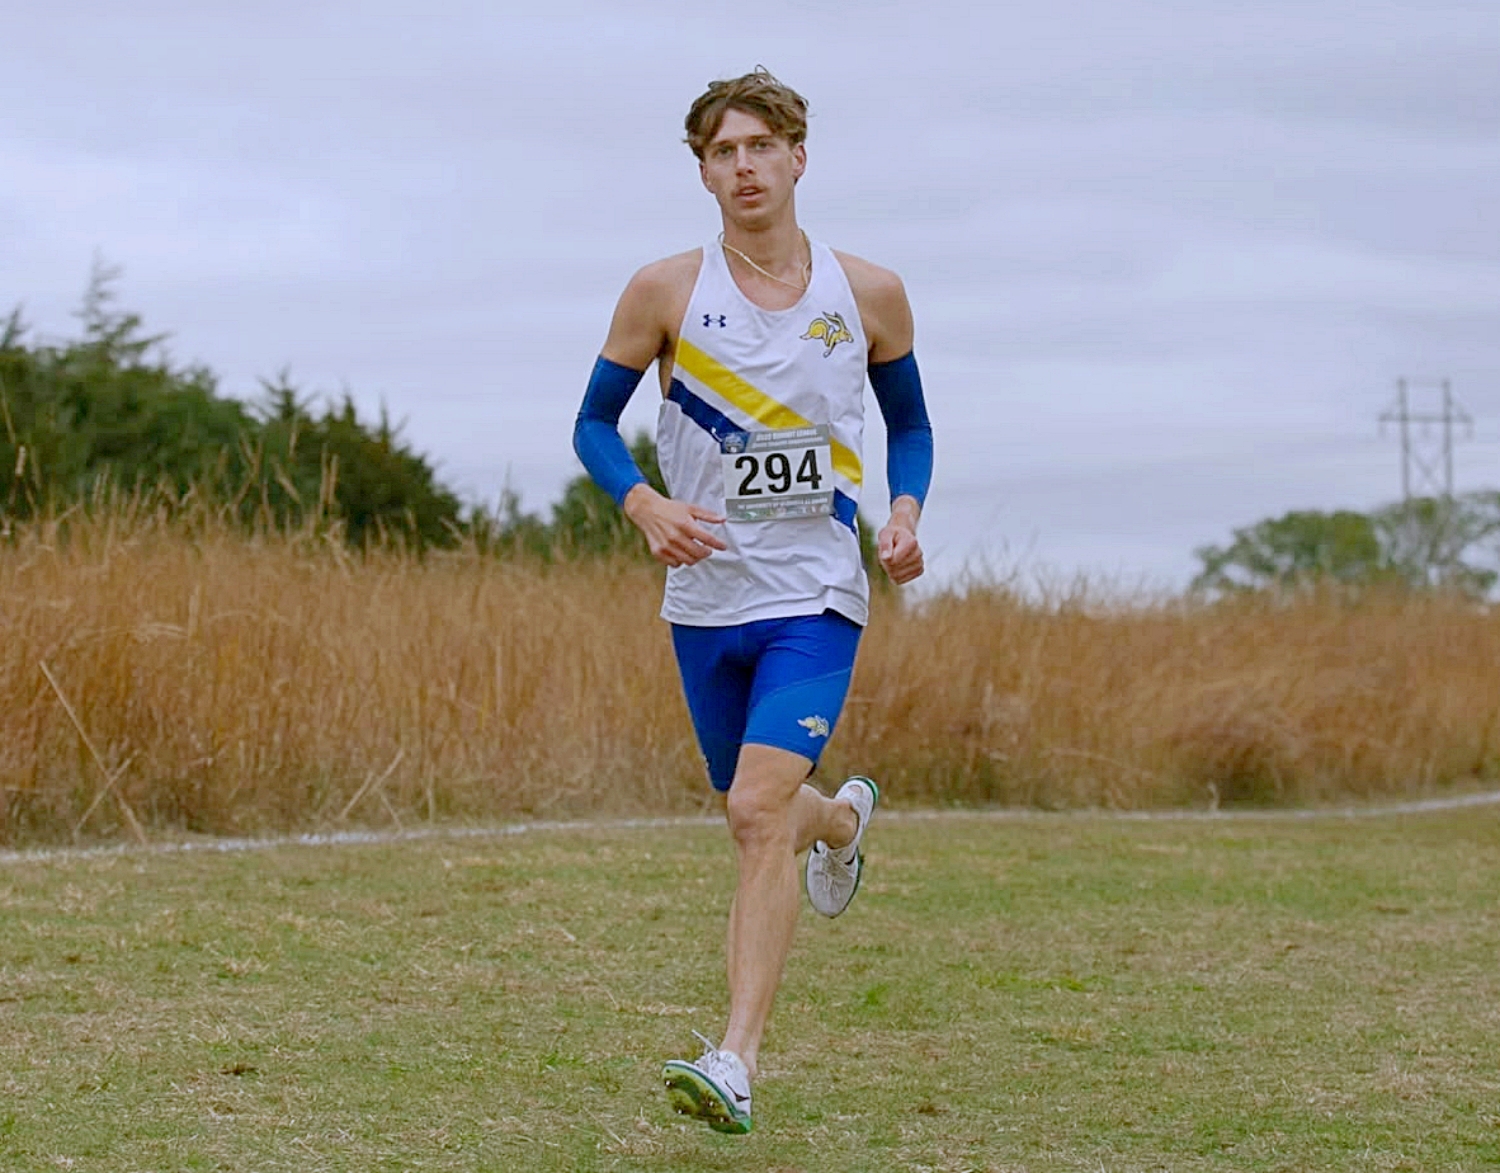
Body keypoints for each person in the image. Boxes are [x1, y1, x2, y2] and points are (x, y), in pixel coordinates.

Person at [571, 68, 933, 1135]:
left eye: (761, 147)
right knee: (762, 811)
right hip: (704, 600)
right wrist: (641, 501)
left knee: (752, 812)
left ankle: (734, 1057)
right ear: (703, 173)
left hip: (817, 594)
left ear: (798, 157)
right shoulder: (664, 292)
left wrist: (903, 510)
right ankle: (842, 822)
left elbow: (910, 425)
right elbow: (591, 424)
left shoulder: (868, 293)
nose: (744, 168)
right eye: (723, 153)